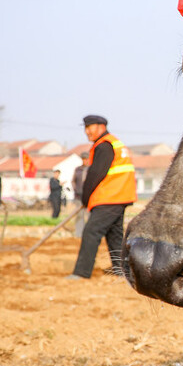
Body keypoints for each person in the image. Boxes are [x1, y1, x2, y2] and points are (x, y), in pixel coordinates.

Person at [69, 115, 136, 279]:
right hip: (120, 196)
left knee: (91, 232)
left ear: (101, 126)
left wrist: (86, 197)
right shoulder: (114, 142)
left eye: (89, 127)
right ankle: (121, 270)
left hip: (110, 197)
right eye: (85, 128)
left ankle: (81, 272)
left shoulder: (104, 145)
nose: (86, 132)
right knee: (115, 234)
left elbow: (95, 174)